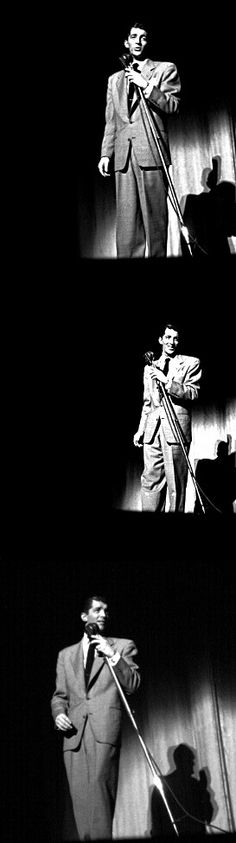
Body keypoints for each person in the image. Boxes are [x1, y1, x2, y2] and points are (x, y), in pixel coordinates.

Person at [51, 594, 140, 839]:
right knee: (81, 805)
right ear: (84, 616)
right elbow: (59, 696)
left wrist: (112, 655)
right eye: (97, 610)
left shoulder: (122, 645)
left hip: (103, 730)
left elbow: (133, 683)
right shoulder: (65, 655)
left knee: (100, 798)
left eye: (105, 611)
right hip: (74, 735)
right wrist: (59, 714)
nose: (103, 614)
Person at [98, 21, 181, 257]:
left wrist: (146, 86)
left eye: (143, 37)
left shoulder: (165, 69)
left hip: (151, 152)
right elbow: (112, 120)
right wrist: (106, 153)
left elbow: (173, 106)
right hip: (123, 157)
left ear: (148, 42)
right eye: (134, 37)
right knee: (127, 228)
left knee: (155, 222)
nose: (138, 41)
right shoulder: (114, 80)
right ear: (126, 42)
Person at [133, 323, 202, 512]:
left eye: (176, 338)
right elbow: (148, 402)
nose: (172, 342)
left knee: (176, 488)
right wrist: (140, 430)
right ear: (161, 340)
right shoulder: (150, 367)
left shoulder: (191, 363)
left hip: (175, 430)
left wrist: (167, 381)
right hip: (152, 431)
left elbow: (193, 393)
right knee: (150, 483)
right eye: (168, 337)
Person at [150, 744, 213, 835]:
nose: (193, 764)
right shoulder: (163, 786)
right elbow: (208, 818)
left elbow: (207, 818)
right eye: (190, 760)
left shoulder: (194, 785)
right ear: (180, 761)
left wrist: (204, 788)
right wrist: (203, 789)